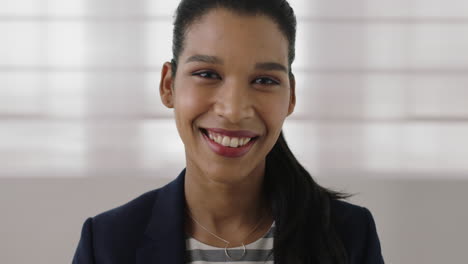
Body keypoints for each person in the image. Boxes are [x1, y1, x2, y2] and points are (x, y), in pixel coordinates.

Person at [73, 0, 384, 263]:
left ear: (290, 97)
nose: (234, 110)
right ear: (168, 85)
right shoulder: (107, 244)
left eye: (264, 80)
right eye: (207, 74)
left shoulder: (349, 235)